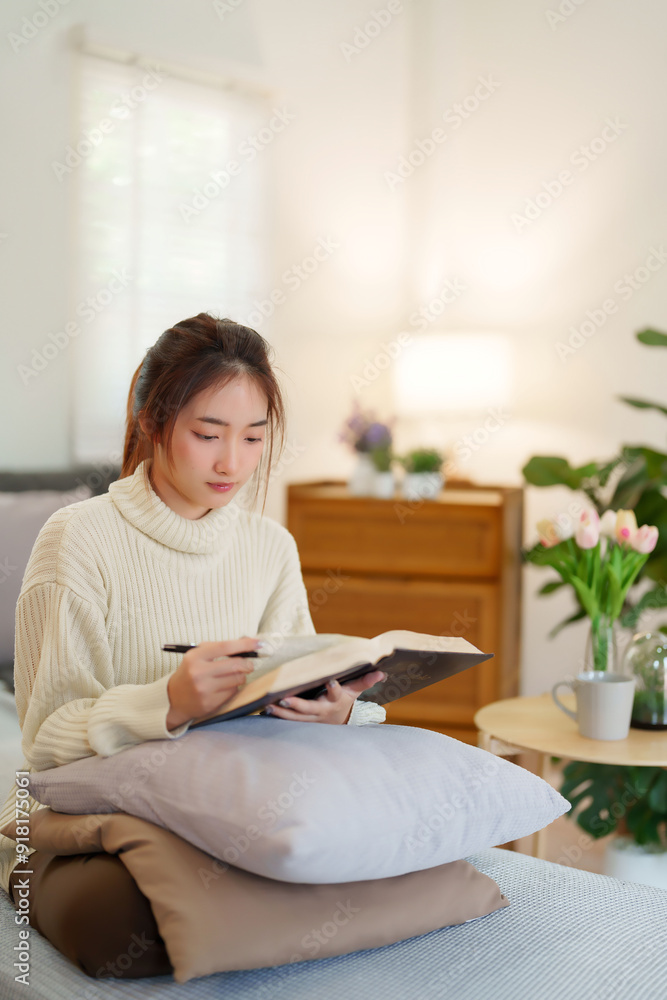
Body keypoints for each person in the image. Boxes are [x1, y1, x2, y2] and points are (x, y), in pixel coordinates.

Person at [0, 313, 386, 978]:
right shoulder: (78, 539)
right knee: (123, 922)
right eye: (208, 434)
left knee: (381, 846)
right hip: (99, 812)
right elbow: (45, 739)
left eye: (252, 437)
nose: (231, 462)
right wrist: (168, 705)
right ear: (154, 423)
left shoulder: (270, 547)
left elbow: (290, 683)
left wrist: (338, 712)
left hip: (232, 802)